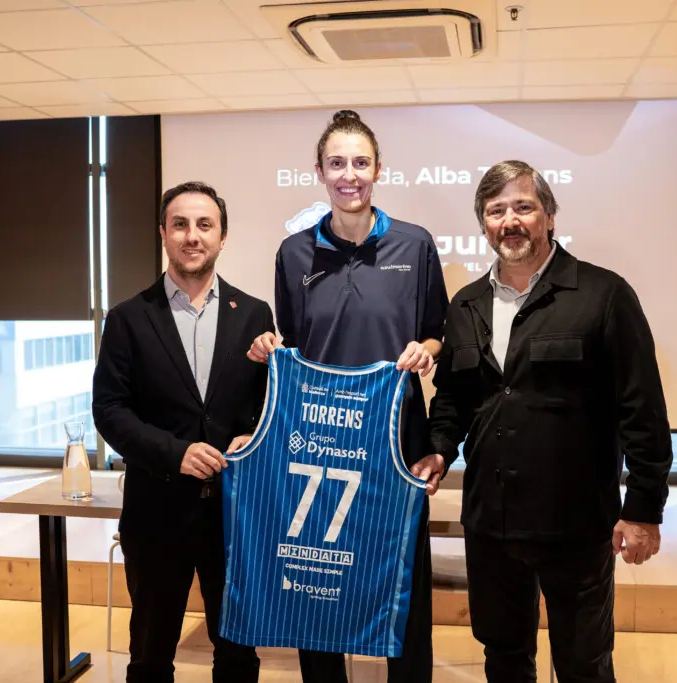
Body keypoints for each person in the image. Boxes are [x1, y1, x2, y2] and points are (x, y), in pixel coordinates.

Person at [427, 160, 673, 683]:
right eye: (496, 211)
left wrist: (644, 508)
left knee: (583, 663)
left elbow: (642, 407)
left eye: (523, 206)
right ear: (484, 223)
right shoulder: (465, 305)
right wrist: (438, 448)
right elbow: (452, 398)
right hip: (491, 522)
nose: (510, 220)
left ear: (550, 215)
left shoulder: (604, 295)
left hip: (577, 523)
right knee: (504, 656)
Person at [247, 109, 450, 682]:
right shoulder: (293, 254)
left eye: (360, 162)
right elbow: (295, 343)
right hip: (319, 440)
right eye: (337, 163)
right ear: (319, 171)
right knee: (320, 581)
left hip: (393, 436)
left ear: (378, 169)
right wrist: (271, 346)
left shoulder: (416, 243)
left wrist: (424, 349)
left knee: (400, 580)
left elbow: (438, 329)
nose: (349, 174)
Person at [92, 181, 273, 683]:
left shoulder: (254, 314)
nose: (192, 236)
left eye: (204, 225)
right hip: (156, 514)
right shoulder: (128, 318)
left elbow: (266, 406)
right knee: (150, 654)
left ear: (222, 236)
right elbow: (109, 410)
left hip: (235, 517)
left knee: (238, 654)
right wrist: (175, 453)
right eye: (180, 224)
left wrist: (252, 436)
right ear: (163, 233)